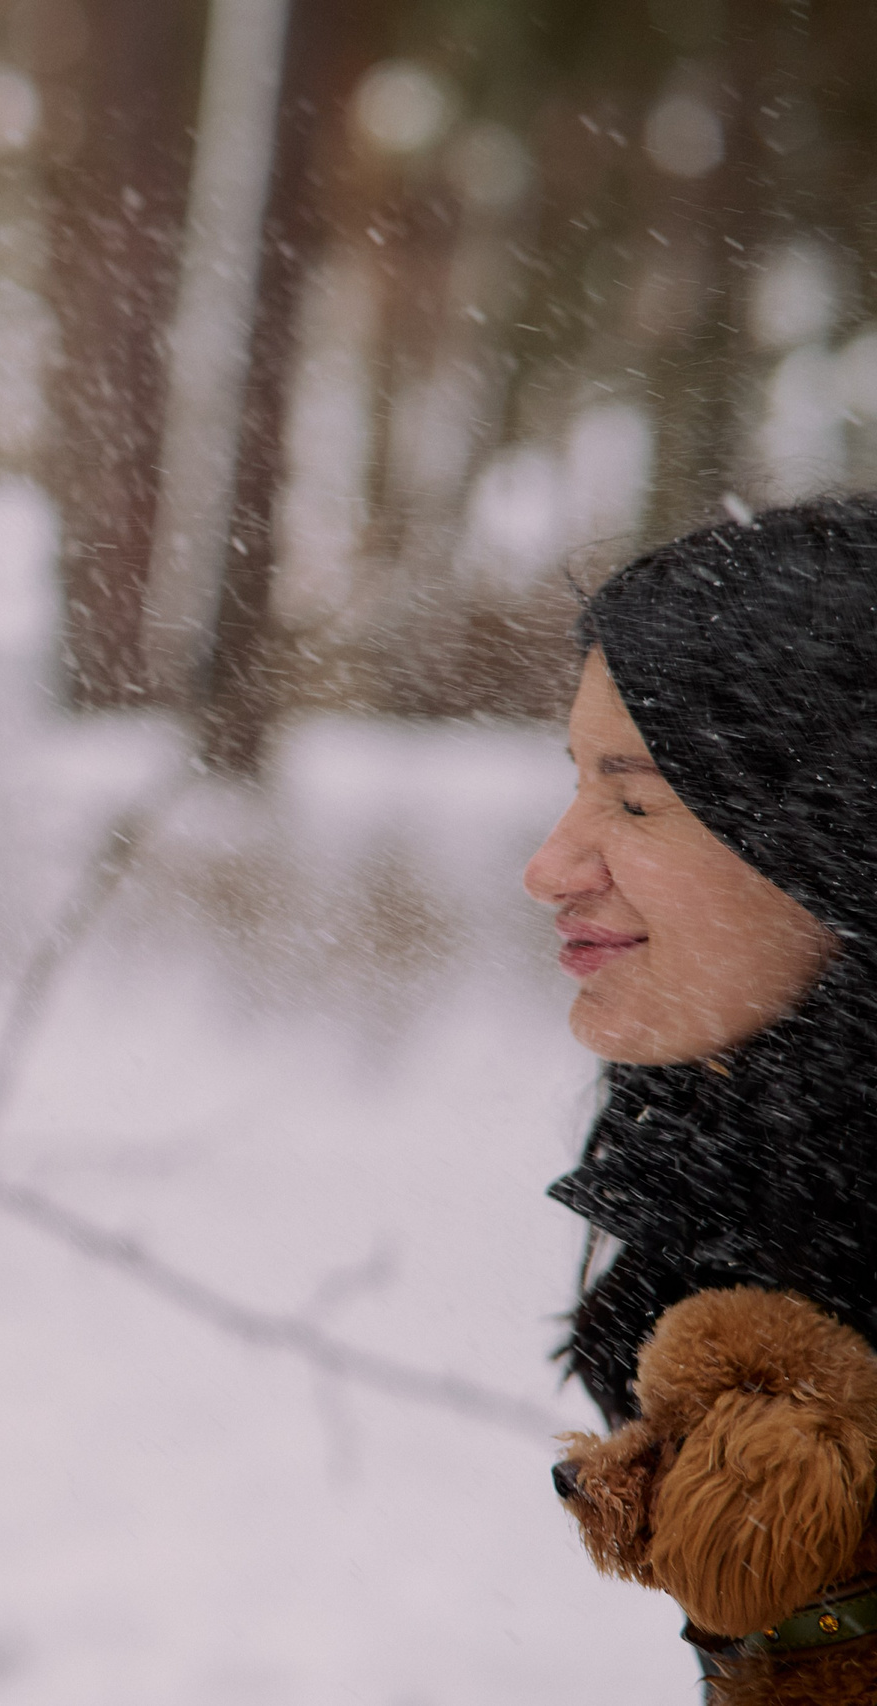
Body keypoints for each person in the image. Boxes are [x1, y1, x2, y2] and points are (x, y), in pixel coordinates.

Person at [529, 498, 877, 1692]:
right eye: (576, 780)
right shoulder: (750, 1184)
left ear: (839, 835)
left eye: (634, 800)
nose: (549, 867)